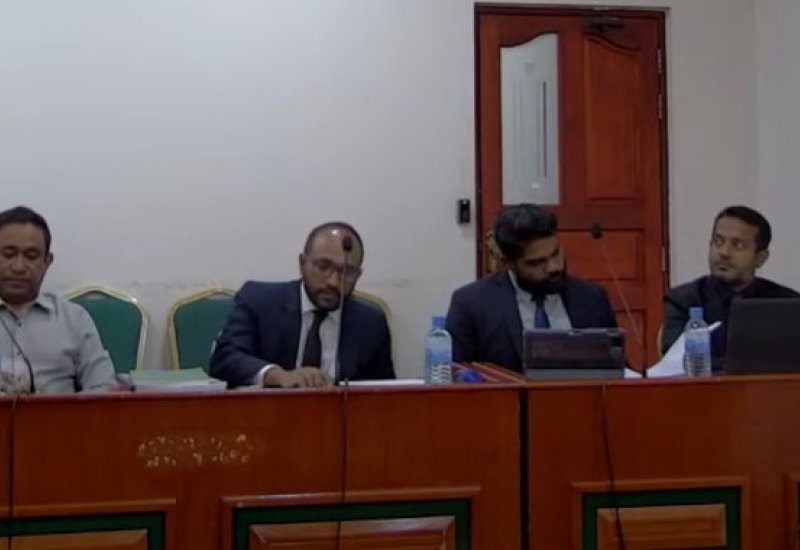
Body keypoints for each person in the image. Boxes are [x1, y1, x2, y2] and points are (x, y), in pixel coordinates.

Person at [210, 222, 395, 388]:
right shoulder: (259, 301)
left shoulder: (371, 324)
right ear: (302, 263)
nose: (333, 282)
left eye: (347, 272)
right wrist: (275, 375)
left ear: (358, 276)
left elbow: (385, 395)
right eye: (323, 267)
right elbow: (224, 358)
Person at [446, 203, 617, 372]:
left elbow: (618, 370)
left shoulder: (593, 298)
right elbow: (457, 378)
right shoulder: (471, 305)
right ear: (509, 263)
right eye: (537, 262)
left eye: (556, 253)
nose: (553, 267)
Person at [662, 205, 799, 367]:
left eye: (737, 245)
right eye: (718, 242)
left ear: (761, 258)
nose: (724, 252)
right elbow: (678, 360)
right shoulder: (683, 300)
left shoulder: (788, 304)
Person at [0, 206, 115, 393]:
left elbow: (103, 387)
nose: (19, 267)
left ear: (47, 262)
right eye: (8, 254)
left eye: (31, 256)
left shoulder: (74, 319)